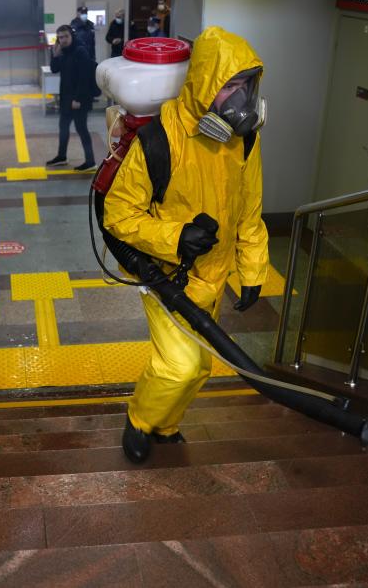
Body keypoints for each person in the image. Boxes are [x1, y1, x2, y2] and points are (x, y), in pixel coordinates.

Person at [103, 27, 269, 463]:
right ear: (205, 84)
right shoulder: (158, 140)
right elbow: (117, 215)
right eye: (230, 86)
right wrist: (175, 237)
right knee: (180, 365)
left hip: (213, 276)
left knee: (202, 366)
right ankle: (139, 420)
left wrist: (253, 271)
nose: (241, 99)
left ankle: (167, 424)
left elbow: (249, 210)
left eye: (246, 86)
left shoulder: (244, 141)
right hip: (167, 275)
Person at [46, 25, 97, 172]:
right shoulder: (63, 52)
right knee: (63, 128)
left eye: (65, 36)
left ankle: (90, 161)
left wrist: (78, 99)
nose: (63, 40)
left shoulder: (80, 51)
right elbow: (54, 69)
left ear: (72, 36)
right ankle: (61, 157)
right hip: (66, 99)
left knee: (81, 129)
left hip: (79, 99)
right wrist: (55, 55)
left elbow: (84, 77)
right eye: (60, 37)